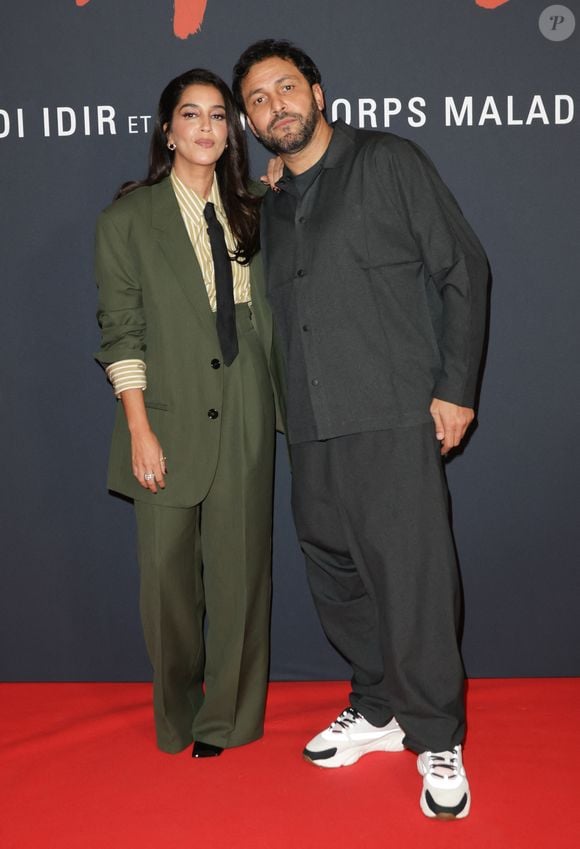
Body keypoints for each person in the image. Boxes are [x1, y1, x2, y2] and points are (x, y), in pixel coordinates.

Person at [233, 40, 489, 818]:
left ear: (316, 89)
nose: (275, 105)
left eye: (285, 87)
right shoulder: (269, 201)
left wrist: (454, 387)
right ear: (250, 122)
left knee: (411, 579)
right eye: (257, 100)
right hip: (308, 422)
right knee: (336, 573)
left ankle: (436, 732)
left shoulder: (388, 162)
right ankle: (378, 706)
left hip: (390, 412)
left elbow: (464, 270)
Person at [95, 68, 276, 758]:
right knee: (167, 585)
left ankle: (226, 717)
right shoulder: (126, 219)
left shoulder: (256, 203)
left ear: (231, 132)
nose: (206, 127)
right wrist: (139, 427)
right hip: (163, 409)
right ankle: (176, 714)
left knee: (240, 570)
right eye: (191, 114)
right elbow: (122, 329)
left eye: (219, 116)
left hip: (246, 398)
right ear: (167, 129)